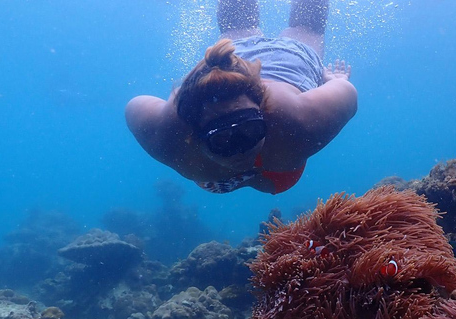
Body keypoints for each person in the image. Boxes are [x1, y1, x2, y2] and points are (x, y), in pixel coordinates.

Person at [125, 0, 357, 194]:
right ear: (192, 135)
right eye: (221, 139)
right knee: (297, 28)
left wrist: (337, 81)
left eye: (251, 129)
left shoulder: (295, 121)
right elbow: (133, 107)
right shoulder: (168, 135)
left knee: (299, 28)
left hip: (286, 61)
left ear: (262, 110)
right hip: (257, 54)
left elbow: (347, 95)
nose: (242, 150)